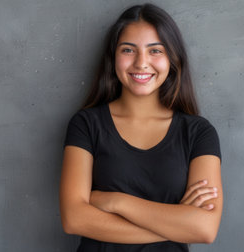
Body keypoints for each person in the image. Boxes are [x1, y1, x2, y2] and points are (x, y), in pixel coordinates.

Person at [59, 3, 222, 252]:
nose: (141, 63)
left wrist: (115, 201)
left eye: (155, 50)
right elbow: (74, 219)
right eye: (128, 50)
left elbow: (205, 229)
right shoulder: (86, 124)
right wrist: (177, 222)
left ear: (173, 58)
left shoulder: (198, 133)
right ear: (113, 56)